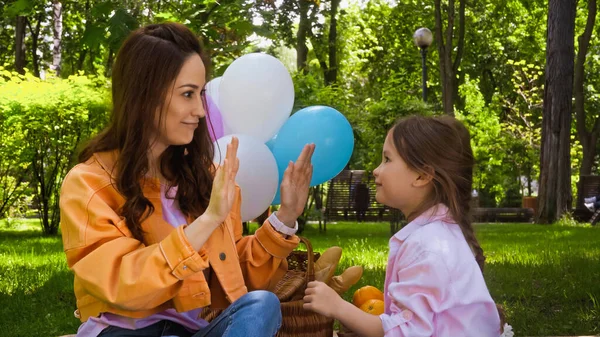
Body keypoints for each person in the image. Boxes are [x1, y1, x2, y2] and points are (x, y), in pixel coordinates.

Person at [59, 22, 315, 337]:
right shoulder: (88, 183)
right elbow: (124, 283)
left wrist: (285, 216)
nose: (200, 110)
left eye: (201, 94)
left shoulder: (204, 177)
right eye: (187, 94)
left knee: (261, 305)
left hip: (194, 332)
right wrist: (207, 221)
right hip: (125, 331)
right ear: (145, 96)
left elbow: (235, 274)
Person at [303, 115, 507, 337]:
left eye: (387, 159)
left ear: (422, 175)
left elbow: (407, 333)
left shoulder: (427, 246)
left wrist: (339, 307)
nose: (376, 170)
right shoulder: (438, 234)